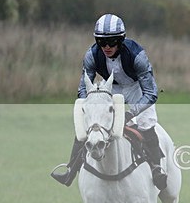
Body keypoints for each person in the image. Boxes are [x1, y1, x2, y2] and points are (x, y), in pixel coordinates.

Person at [51, 13, 167, 189]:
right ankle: (70, 170)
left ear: (120, 40)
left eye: (112, 41)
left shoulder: (137, 55)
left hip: (137, 88)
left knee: (146, 123)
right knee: (89, 126)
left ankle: (157, 168)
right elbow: (84, 87)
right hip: (109, 87)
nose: (106, 46)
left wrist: (130, 113)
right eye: (101, 42)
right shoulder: (91, 55)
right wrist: (88, 109)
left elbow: (151, 93)